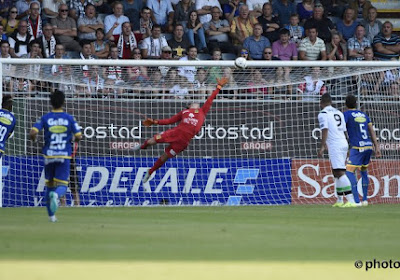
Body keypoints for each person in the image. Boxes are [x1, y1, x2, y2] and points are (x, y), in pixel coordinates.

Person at [134, 77, 228, 183]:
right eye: (193, 102)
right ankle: (142, 147)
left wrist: (218, 87)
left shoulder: (202, 111)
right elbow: (169, 121)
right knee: (151, 141)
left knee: (165, 156)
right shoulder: (184, 112)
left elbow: (210, 99)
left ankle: (150, 172)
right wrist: (155, 121)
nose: (196, 102)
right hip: (174, 133)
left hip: (183, 142)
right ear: (189, 105)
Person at [29, 90, 82, 222]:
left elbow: (33, 132)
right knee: (62, 185)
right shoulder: (69, 118)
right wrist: (74, 141)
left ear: (50, 103)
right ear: (63, 102)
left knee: (50, 185)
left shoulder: (45, 118)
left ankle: (52, 216)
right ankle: (56, 197)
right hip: (64, 155)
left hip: (49, 155)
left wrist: (34, 140)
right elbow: (78, 136)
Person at [317, 93, 356, 207]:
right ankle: (339, 200)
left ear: (321, 103)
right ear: (331, 102)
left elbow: (325, 129)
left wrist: (323, 145)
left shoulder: (323, 113)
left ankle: (351, 200)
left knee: (340, 172)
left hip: (335, 144)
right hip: (342, 142)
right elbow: (344, 131)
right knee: (336, 172)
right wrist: (347, 145)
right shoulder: (339, 112)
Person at [344, 94, 381, 206]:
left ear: (346, 105)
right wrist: (377, 146)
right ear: (356, 104)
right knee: (364, 171)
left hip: (357, 147)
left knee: (349, 171)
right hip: (368, 146)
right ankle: (365, 199)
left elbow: (342, 129)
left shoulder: (346, 114)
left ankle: (356, 201)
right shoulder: (364, 115)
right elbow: (371, 131)